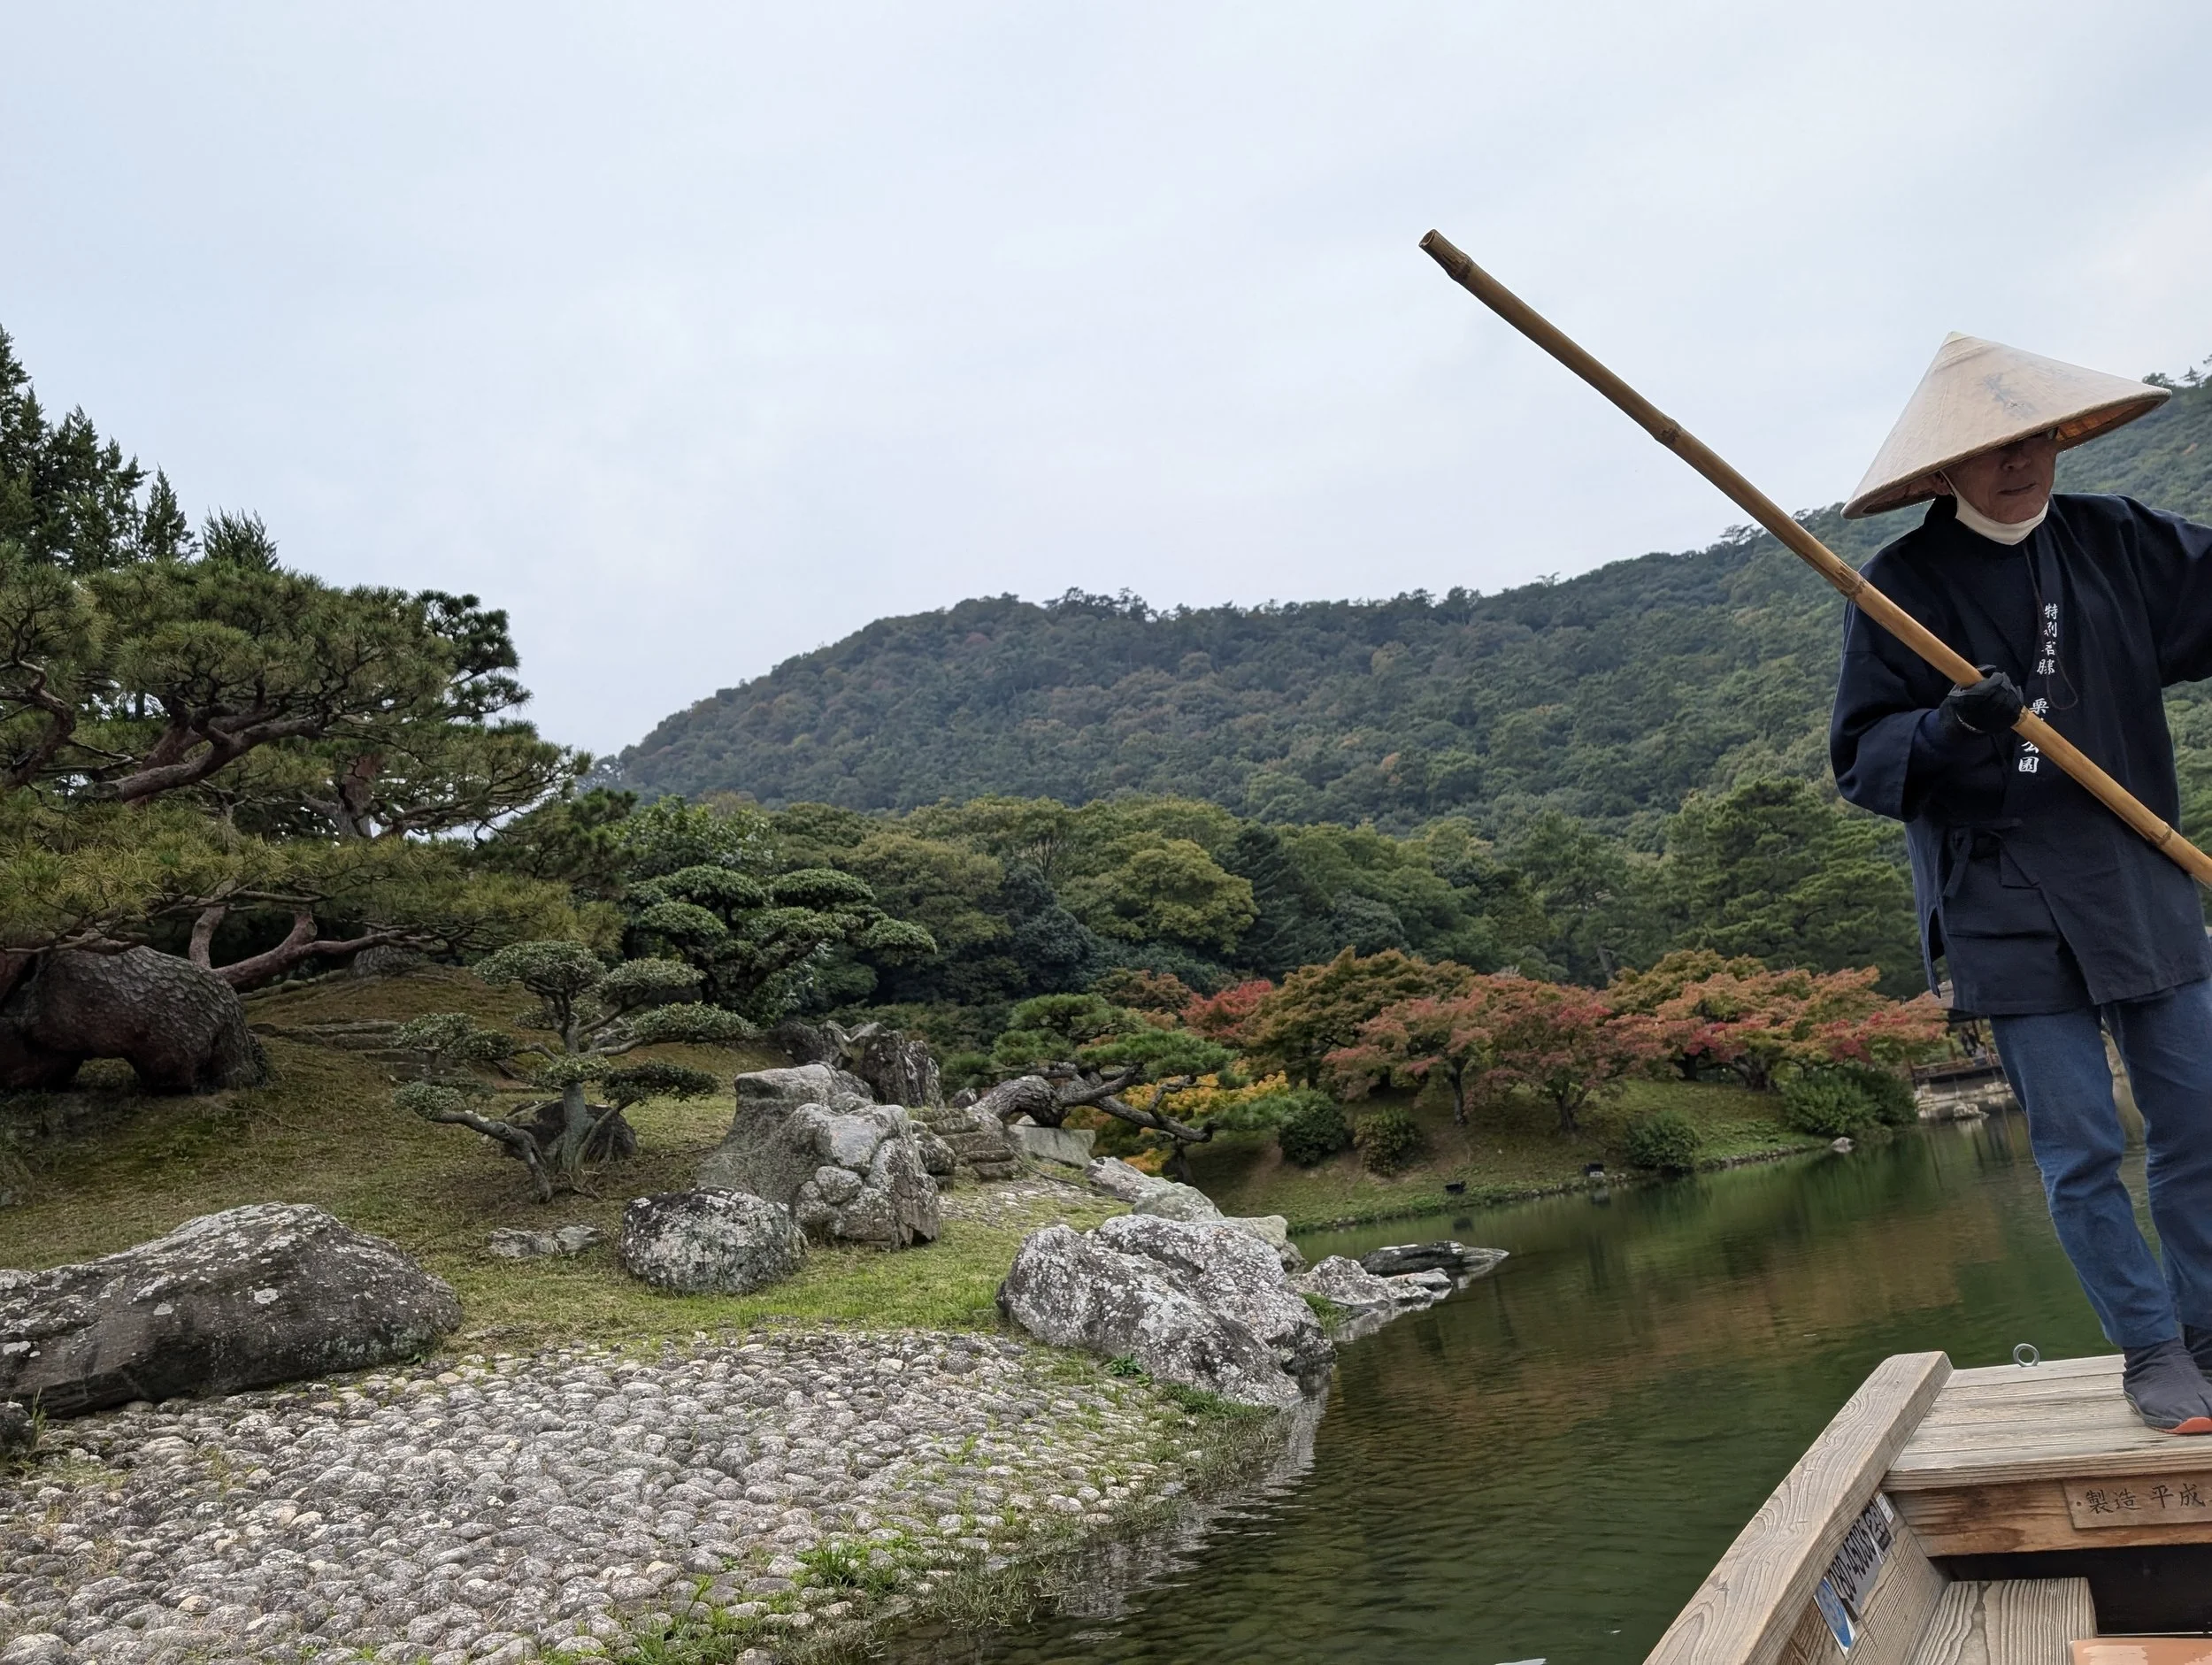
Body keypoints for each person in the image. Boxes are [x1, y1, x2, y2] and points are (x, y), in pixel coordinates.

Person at [1829, 333, 2212, 1434]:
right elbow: (1863, 761)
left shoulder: (2117, 539)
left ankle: (2210, 1328)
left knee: (2194, 1115)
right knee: (2082, 1144)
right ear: (1943, 469)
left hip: (2136, 867)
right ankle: (2149, 1348)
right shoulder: (1897, 587)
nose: (2020, 463)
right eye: (1993, 448)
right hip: (2002, 896)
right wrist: (1947, 728)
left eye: (2036, 437)